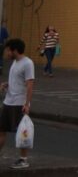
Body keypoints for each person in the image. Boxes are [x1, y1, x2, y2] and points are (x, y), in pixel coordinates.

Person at [0, 38, 35, 169]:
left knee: (22, 132)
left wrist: (27, 104)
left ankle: (23, 159)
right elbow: (18, 81)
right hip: (8, 101)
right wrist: (7, 85)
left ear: (14, 50)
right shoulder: (15, 62)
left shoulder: (28, 63)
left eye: (8, 51)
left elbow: (30, 85)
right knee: (1, 129)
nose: (6, 54)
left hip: (19, 103)